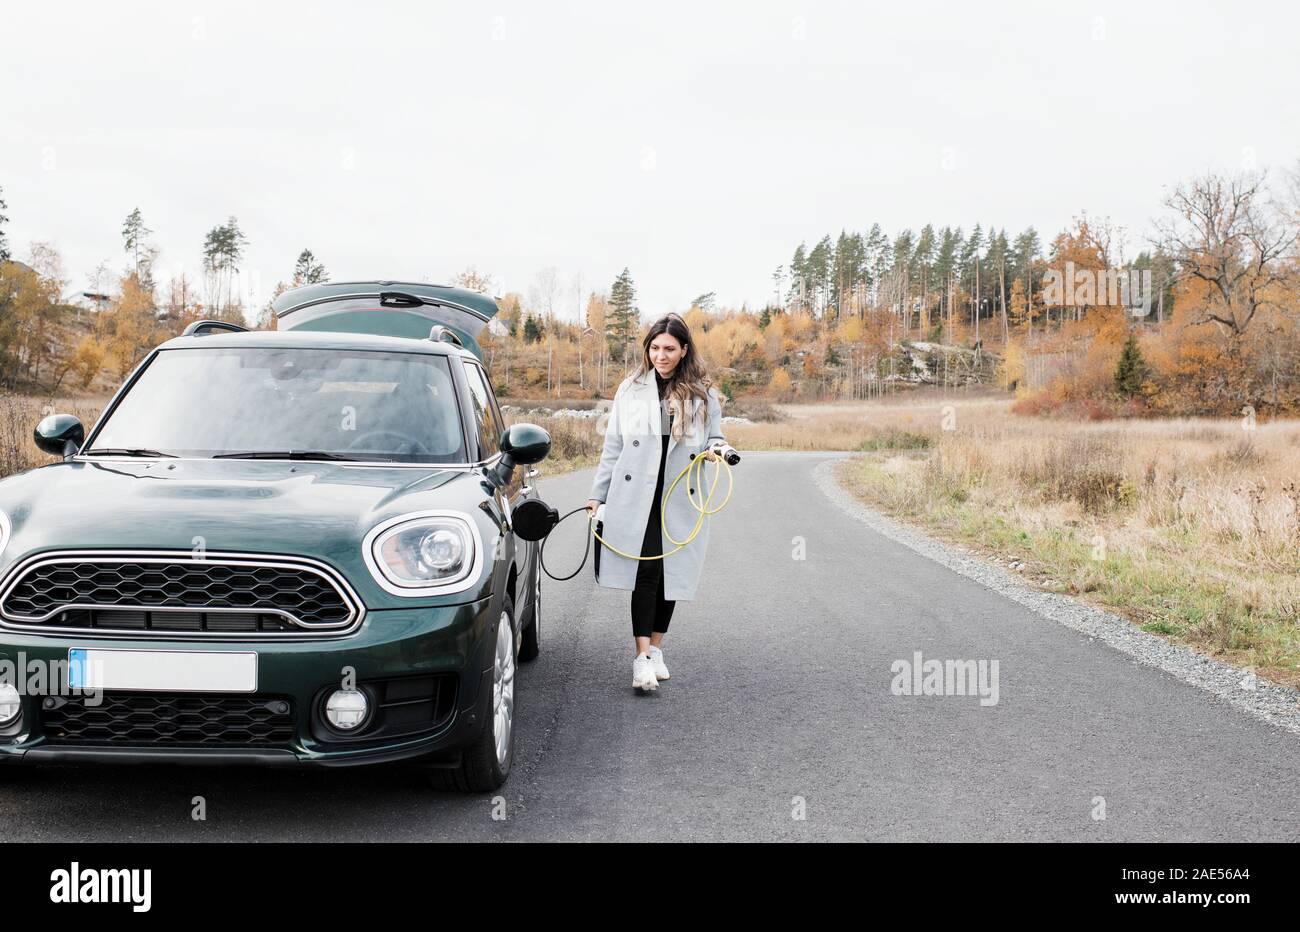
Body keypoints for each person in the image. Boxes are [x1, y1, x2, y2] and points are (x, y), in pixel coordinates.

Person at [585, 313, 727, 692]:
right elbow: (612, 445)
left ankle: (657, 649)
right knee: (646, 572)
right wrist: (597, 494)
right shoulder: (630, 388)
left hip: (680, 494)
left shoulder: (703, 393)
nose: (660, 355)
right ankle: (641, 657)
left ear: (683, 351)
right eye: (654, 348)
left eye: (668, 349)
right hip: (636, 495)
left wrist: (718, 450)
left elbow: (715, 436)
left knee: (671, 574)